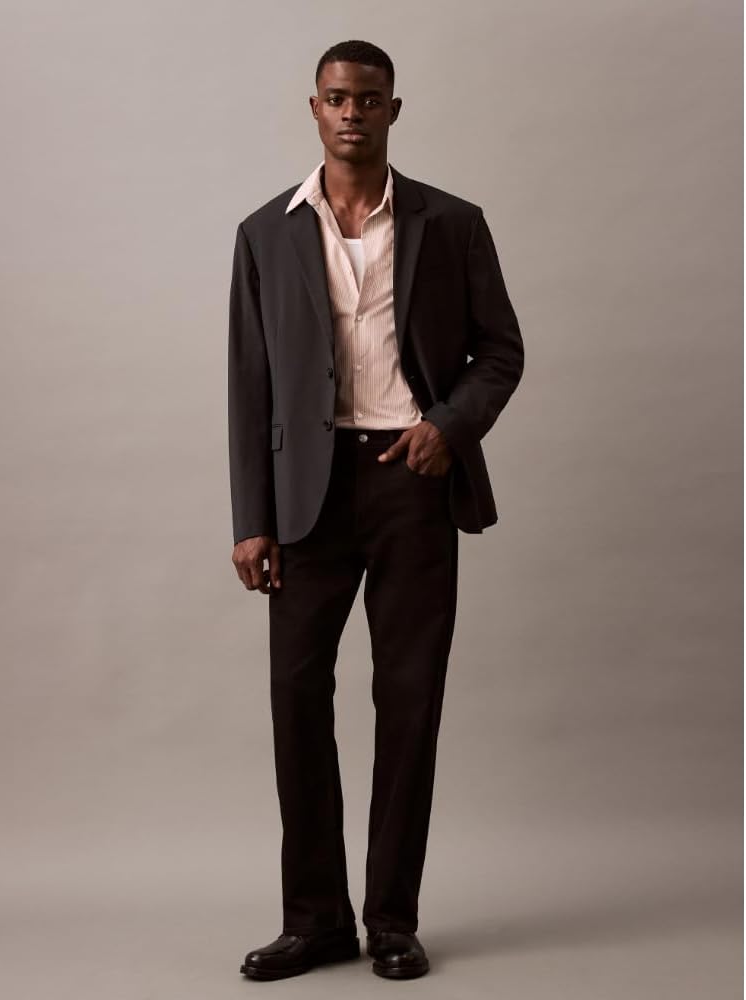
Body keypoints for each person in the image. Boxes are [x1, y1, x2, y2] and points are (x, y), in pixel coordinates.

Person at [229, 38, 524, 981]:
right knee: (295, 700)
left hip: (411, 479)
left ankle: (392, 919)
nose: (351, 112)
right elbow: (249, 383)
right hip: (306, 496)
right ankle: (316, 921)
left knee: (408, 701)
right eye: (336, 98)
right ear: (313, 108)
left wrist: (450, 426)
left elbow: (501, 350)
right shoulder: (264, 233)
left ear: (394, 109)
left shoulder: (454, 222)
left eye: (368, 98)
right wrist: (251, 517)